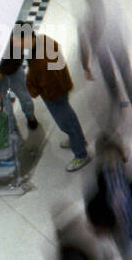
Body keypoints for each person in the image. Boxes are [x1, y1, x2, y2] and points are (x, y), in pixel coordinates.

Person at [74, 0, 132, 131]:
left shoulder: (84, 17)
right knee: (128, 80)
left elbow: (83, 43)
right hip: (117, 47)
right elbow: (122, 26)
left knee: (112, 82)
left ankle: (119, 109)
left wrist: (85, 65)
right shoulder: (108, 4)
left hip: (104, 52)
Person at [14, 24, 90, 171]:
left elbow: (36, 88)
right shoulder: (44, 40)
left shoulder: (40, 62)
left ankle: (81, 154)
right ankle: (77, 140)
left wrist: (31, 85)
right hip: (62, 85)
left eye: (18, 41)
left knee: (66, 121)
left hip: (54, 95)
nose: (17, 45)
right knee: (67, 120)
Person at [0, 51, 38, 132]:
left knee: (23, 94)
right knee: (1, 105)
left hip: (11, 66)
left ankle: (30, 115)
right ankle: (12, 128)